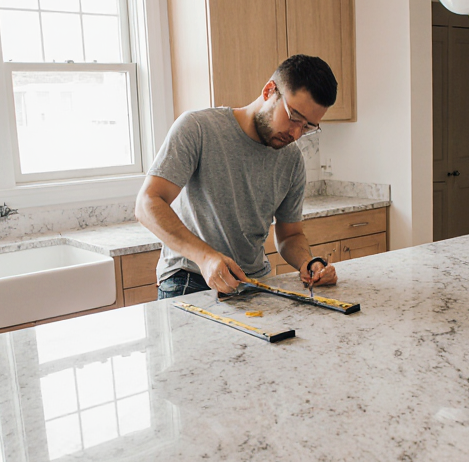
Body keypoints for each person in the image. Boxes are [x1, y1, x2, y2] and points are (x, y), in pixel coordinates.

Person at [136, 54, 340, 299]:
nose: (296, 134)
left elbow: (290, 235)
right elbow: (147, 203)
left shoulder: (292, 159)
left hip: (254, 280)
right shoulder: (198, 128)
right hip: (189, 278)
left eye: (308, 127)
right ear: (269, 91)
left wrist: (308, 263)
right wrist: (205, 257)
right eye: (294, 117)